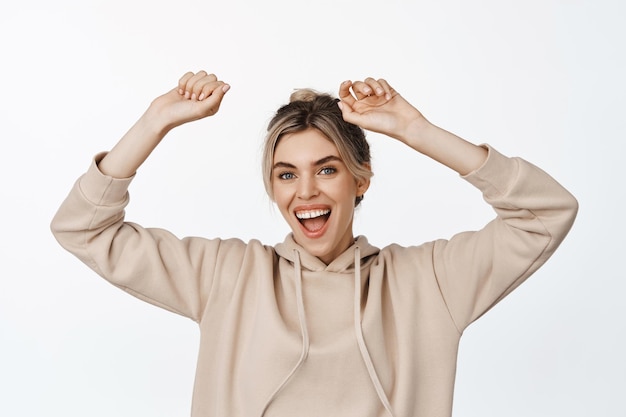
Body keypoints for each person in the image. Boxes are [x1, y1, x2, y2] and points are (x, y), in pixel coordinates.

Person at [51, 70, 578, 417]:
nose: (305, 192)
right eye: (285, 175)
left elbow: (546, 214)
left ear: (360, 179)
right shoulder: (227, 276)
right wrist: (154, 121)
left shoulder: (428, 282)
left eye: (326, 170)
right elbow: (82, 227)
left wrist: (418, 131)